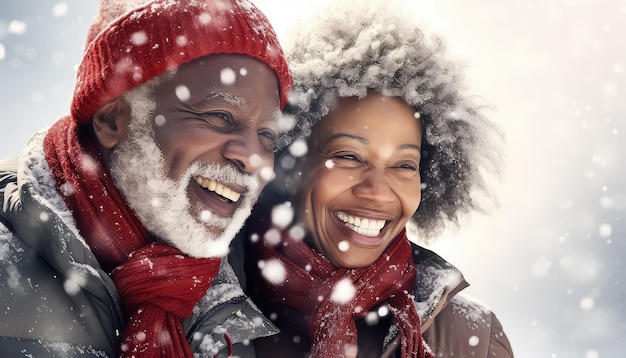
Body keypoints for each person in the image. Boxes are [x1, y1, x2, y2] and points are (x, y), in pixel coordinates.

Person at [0, 0, 292, 357]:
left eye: (268, 136)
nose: (253, 157)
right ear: (112, 121)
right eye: (219, 115)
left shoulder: (229, 294)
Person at [238, 1, 515, 357]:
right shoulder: (195, 305)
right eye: (349, 156)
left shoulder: (469, 336)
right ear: (289, 160)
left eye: (404, 165)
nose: (378, 191)